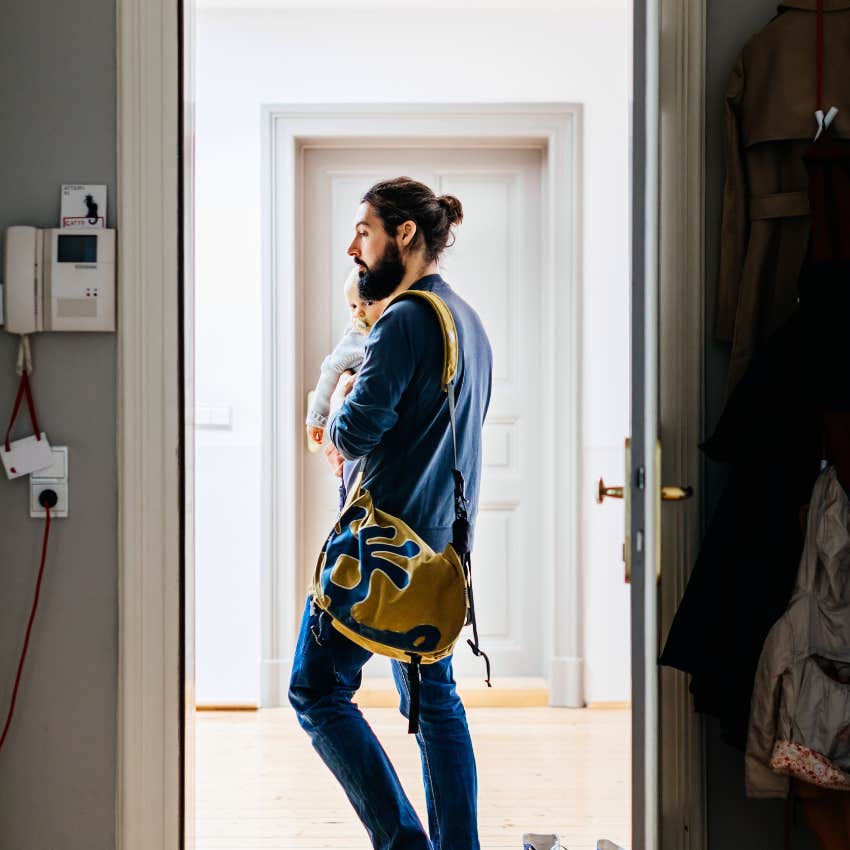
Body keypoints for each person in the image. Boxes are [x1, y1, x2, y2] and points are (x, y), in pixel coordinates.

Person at [288, 176, 493, 850]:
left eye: (365, 230)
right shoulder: (468, 321)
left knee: (315, 690)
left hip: (378, 550)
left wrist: (338, 403)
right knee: (435, 703)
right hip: (439, 551)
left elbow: (352, 432)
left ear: (404, 235)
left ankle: (403, 843)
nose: (354, 246)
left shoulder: (405, 318)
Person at [305, 268, 390, 508]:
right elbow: (331, 369)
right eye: (353, 307)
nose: (359, 312)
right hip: (348, 428)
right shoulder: (357, 335)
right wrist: (317, 417)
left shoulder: (388, 329)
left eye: (367, 303)